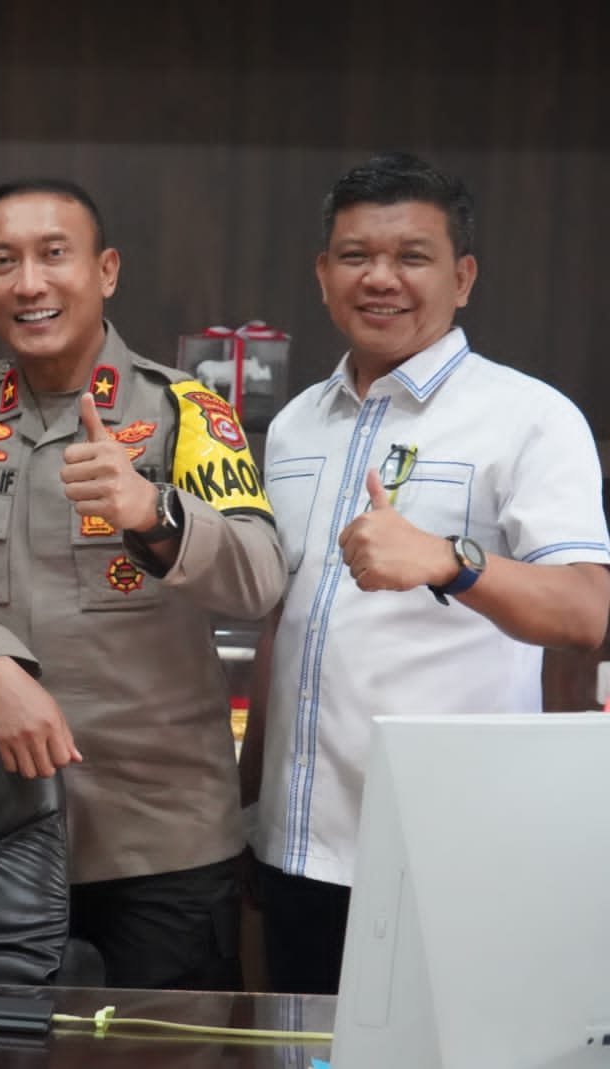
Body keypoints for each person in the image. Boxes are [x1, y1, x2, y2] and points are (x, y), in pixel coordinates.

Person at [0, 178, 285, 990]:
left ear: (106, 271)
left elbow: (260, 578)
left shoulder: (184, 411)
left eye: (53, 254)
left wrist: (153, 511)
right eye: (4, 262)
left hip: (162, 842)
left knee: (166, 1048)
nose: (29, 282)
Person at [241, 152, 610, 994]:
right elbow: (283, 626)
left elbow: (587, 610)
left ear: (463, 277)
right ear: (323, 274)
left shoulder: (529, 418)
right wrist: (248, 808)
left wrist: (450, 561)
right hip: (294, 850)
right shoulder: (293, 426)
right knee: (296, 1049)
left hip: (449, 857)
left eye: (412, 256)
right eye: (356, 256)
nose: (381, 278)